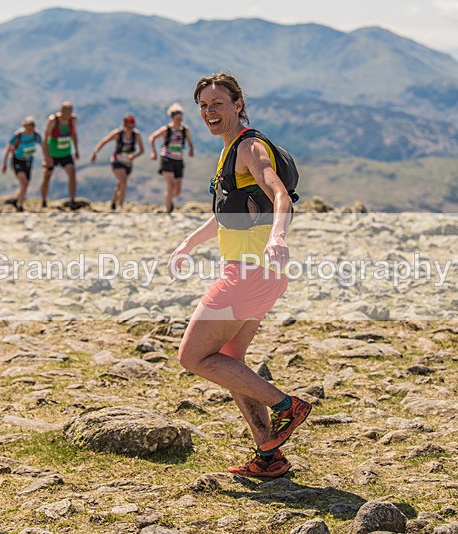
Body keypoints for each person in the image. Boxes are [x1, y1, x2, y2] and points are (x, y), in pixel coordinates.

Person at [168, 72, 311, 478]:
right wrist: (187, 244)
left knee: (193, 356)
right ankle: (269, 455)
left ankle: (288, 406)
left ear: (237, 104)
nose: (210, 112)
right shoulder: (229, 150)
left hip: (250, 272)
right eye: (204, 106)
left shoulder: (249, 146)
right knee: (230, 358)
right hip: (259, 273)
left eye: (217, 103)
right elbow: (227, 217)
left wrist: (279, 235)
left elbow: (279, 193)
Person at [90, 114, 145, 210]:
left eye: (132, 124)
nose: (130, 126)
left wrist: (134, 156)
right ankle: (121, 205)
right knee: (123, 181)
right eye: (129, 124)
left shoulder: (136, 135)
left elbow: (142, 150)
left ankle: (113, 202)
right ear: (125, 124)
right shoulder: (117, 133)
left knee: (120, 184)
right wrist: (95, 152)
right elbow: (104, 141)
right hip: (117, 161)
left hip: (128, 163)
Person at [149, 103, 195, 213]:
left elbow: (190, 142)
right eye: (177, 118)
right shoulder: (166, 129)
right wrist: (153, 152)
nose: (179, 120)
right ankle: (168, 209)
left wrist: (191, 150)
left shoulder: (185, 130)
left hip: (179, 160)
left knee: (177, 189)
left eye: (181, 118)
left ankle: (168, 200)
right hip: (167, 158)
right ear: (172, 118)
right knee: (170, 186)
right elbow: (152, 137)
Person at [41, 101, 80, 209]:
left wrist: (76, 150)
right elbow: (45, 138)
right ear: (62, 111)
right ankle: (43, 201)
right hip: (52, 153)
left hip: (66, 153)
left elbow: (74, 135)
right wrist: (46, 156)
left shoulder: (72, 120)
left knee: (72, 172)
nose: (69, 114)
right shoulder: (53, 120)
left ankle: (72, 200)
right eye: (67, 111)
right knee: (47, 175)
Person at [1, 117, 42, 212]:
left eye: (31, 128)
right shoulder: (18, 136)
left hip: (28, 161)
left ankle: (17, 200)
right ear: (24, 127)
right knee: (23, 183)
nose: (30, 131)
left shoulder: (36, 135)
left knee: (26, 184)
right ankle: (19, 205)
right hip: (17, 160)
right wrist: (4, 164)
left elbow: (43, 145)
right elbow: (8, 149)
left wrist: (46, 158)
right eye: (28, 128)